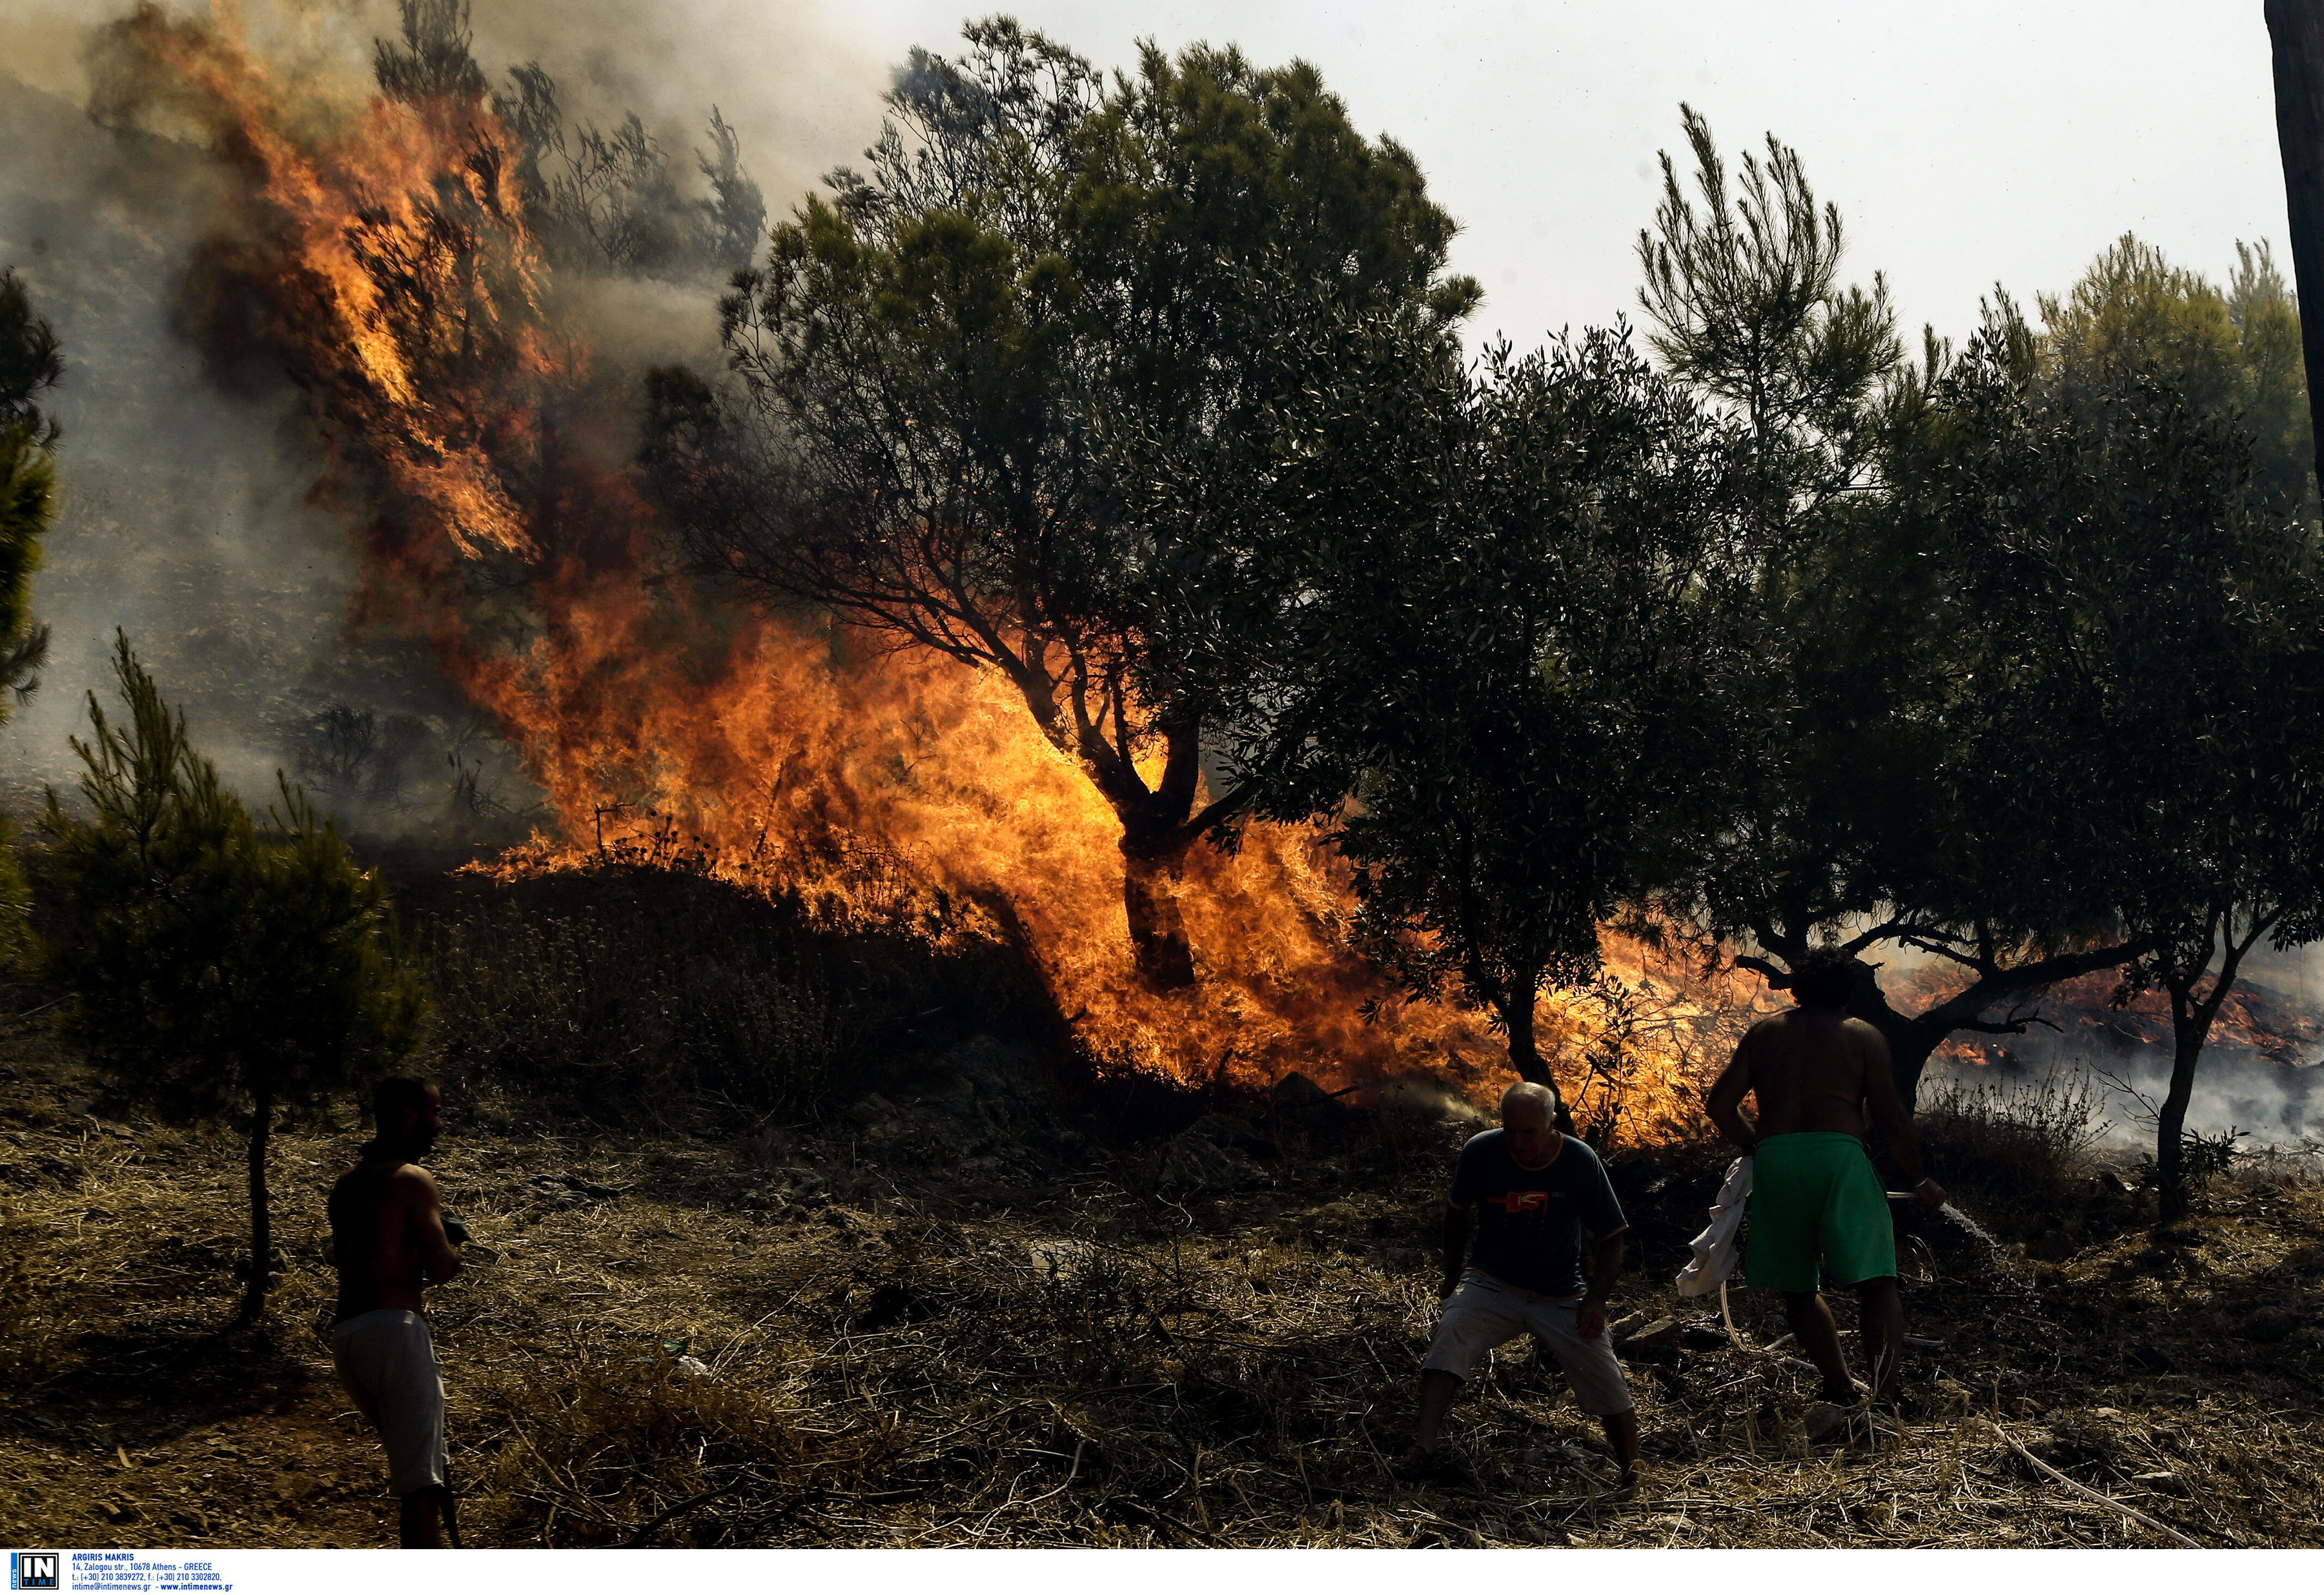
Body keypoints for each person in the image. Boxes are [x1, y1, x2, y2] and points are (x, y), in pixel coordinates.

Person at [1706, 949, 1945, 1432]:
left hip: (1776, 1159)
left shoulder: (1765, 1033)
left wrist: (1756, 1144)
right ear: (1849, 993)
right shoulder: (1860, 1035)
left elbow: (1720, 1105)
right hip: (1838, 1158)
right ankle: (1884, 1397)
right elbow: (1890, 1115)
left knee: (1797, 1284)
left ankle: (1837, 1385)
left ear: (1797, 986)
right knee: (1877, 1281)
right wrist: (1919, 1178)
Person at [1400, 1081, 1638, 1488]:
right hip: (1492, 1280)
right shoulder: (1480, 1151)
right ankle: (1423, 1451)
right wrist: (1453, 1280)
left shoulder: (1580, 1160)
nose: (1517, 1141)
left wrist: (1596, 1300)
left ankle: (1632, 1471)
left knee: (1605, 1375)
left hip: (1561, 1292)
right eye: (1510, 1129)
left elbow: (1612, 1237)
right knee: (1451, 1332)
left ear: (1551, 1125)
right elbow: (1456, 1216)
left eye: (1529, 1132)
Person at [329, 1075, 464, 1548]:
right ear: (409, 1115)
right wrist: (453, 1243)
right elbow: (442, 1268)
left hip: (347, 1340)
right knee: (422, 1486)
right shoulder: (412, 1178)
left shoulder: (345, 1186)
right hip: (396, 1335)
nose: (439, 1124)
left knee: (418, 1466)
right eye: (434, 1112)